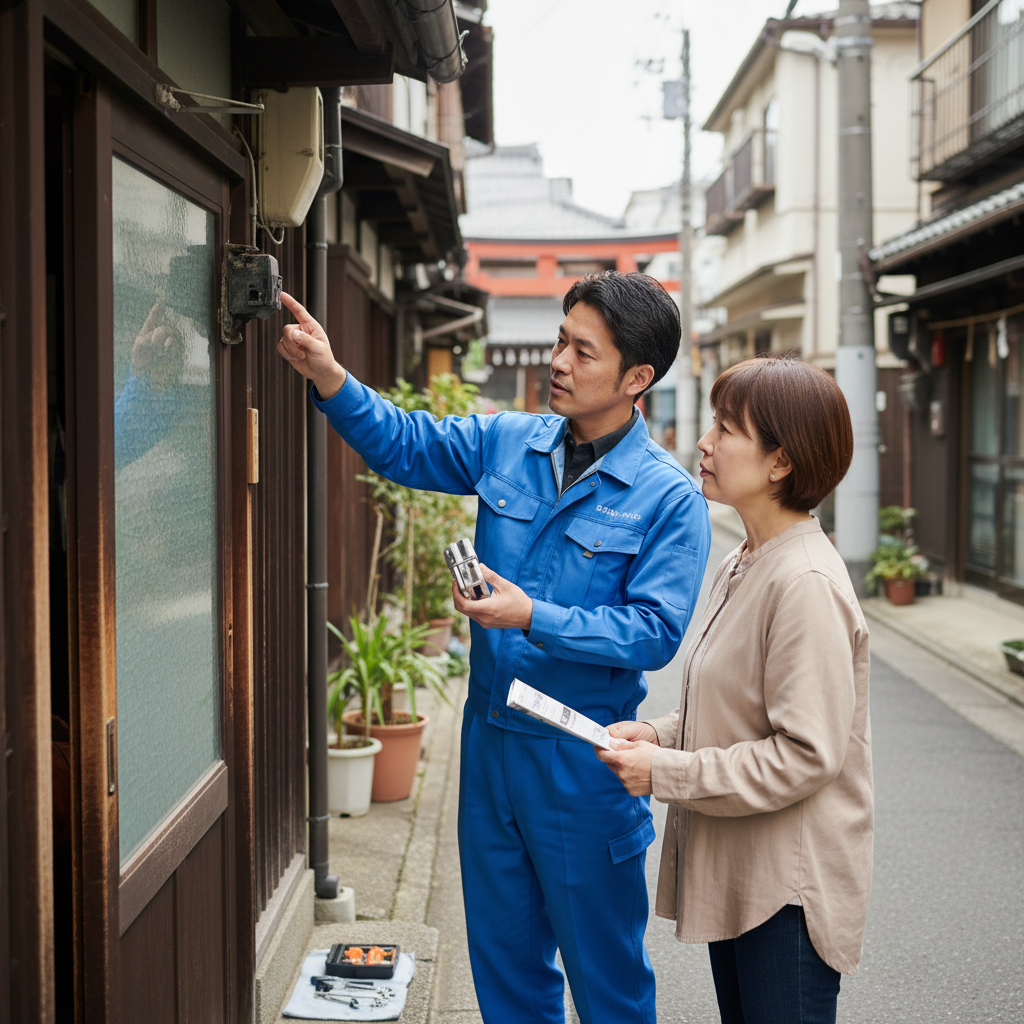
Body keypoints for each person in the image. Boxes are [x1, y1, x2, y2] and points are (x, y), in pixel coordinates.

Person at [277, 272, 712, 1023]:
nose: (559, 362)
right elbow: (407, 445)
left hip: (581, 756)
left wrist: (531, 615)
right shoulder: (509, 440)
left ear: (637, 378)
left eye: (583, 351)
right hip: (489, 748)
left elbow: (654, 631)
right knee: (506, 972)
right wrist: (330, 375)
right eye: (559, 340)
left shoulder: (668, 497)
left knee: (607, 983)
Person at [597, 355, 872, 1024]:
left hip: (787, 890)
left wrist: (665, 769)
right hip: (750, 875)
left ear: (780, 462)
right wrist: (660, 733)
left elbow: (805, 753)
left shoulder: (804, 582)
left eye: (726, 428)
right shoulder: (748, 559)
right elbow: (740, 705)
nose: (704, 441)